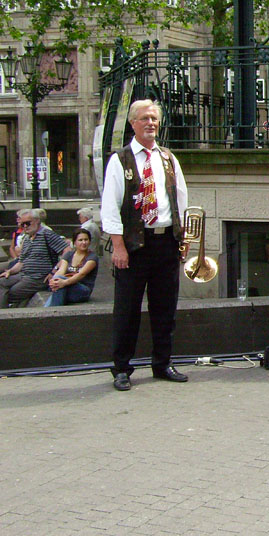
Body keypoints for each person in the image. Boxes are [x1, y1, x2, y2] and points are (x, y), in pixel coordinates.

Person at [101, 99, 189, 391]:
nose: (151, 123)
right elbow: (110, 208)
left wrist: (183, 237)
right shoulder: (120, 159)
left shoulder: (168, 158)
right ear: (133, 123)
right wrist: (119, 247)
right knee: (127, 310)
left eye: (154, 118)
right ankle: (122, 368)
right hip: (135, 245)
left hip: (166, 243)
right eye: (144, 118)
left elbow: (181, 201)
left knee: (165, 309)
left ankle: (162, 363)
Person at [0, 209, 70, 307]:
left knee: (11, 293)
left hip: (38, 278)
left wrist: (55, 270)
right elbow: (21, 263)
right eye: (22, 224)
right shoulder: (27, 238)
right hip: (24, 275)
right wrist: (10, 271)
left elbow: (67, 250)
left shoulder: (47, 234)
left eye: (27, 223)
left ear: (37, 221)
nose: (25, 226)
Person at [44, 228, 98, 307]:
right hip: (66, 286)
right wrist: (54, 280)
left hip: (82, 290)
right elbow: (61, 271)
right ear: (75, 242)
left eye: (86, 240)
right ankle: (50, 312)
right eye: (80, 240)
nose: (84, 242)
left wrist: (63, 282)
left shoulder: (92, 257)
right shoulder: (69, 255)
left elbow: (81, 274)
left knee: (59, 287)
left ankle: (50, 313)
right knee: (58, 284)